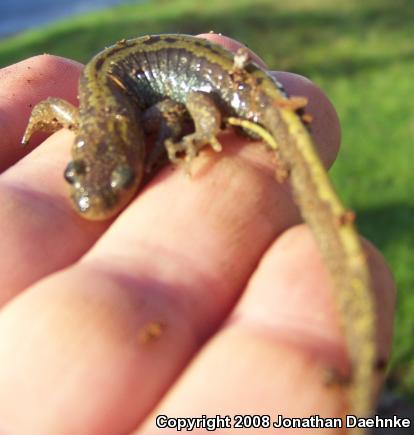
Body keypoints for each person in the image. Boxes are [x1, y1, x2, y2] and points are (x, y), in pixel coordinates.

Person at [0, 34, 395, 433]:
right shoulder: (95, 119)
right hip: (208, 75)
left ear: (135, 144)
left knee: (276, 144)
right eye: (74, 173)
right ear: (78, 145)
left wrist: (189, 137)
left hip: (221, 82)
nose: (89, 203)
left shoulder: (133, 119)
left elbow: (169, 113)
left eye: (122, 180)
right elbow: (55, 107)